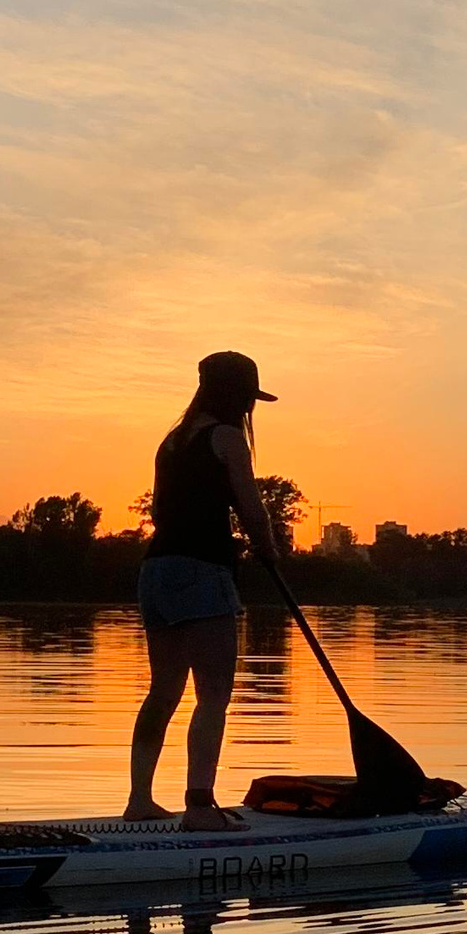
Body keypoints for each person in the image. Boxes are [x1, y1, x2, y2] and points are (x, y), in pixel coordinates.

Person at [128, 350, 279, 823]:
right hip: (202, 570)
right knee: (213, 691)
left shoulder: (171, 442)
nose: (250, 408)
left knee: (164, 690)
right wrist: (268, 548)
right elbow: (252, 507)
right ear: (236, 396)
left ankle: (139, 801)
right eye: (249, 398)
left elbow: (160, 514)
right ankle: (198, 805)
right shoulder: (228, 438)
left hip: (156, 570)